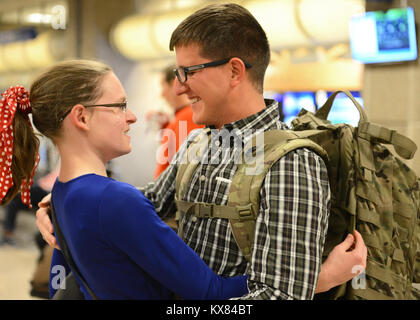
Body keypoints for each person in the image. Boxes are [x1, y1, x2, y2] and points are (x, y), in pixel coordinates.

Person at [36, 3, 367, 300]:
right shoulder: (199, 143)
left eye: (188, 72)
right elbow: (143, 204)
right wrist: (68, 203)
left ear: (234, 71)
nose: (179, 87)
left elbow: (280, 296)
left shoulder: (290, 163)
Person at [2, 60, 251, 300]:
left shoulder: (60, 194)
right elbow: (209, 291)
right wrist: (276, 276)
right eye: (120, 106)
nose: (131, 116)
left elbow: (61, 280)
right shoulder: (115, 200)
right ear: (82, 117)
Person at [151, 64, 204, 179]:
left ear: (173, 83)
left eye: (162, 86)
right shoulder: (183, 118)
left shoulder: (187, 119)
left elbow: (183, 169)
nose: (162, 94)